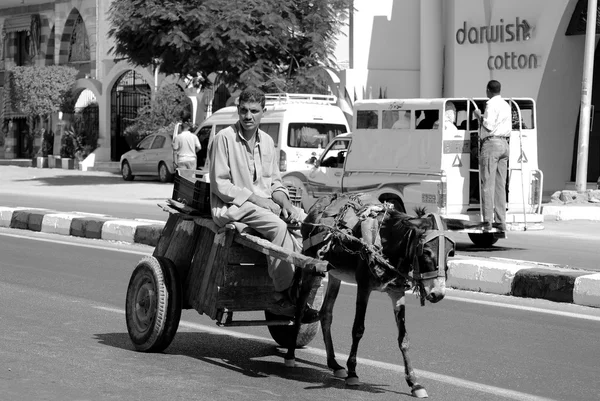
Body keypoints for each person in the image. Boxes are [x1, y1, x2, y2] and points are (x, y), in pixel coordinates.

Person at [207, 87, 319, 322]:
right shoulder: (223, 138)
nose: (248, 116)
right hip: (233, 207)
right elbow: (221, 185)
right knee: (278, 228)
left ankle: (302, 289)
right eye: (244, 111)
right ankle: (281, 296)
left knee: (304, 223)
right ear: (238, 110)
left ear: (263, 113)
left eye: (254, 111)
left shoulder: (268, 142)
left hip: (263, 206)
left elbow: (275, 184)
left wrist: (286, 204)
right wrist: (259, 200)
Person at [473, 80, 511, 232]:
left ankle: (487, 221)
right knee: (500, 185)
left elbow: (488, 125)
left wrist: (478, 116)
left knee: (487, 183)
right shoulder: (506, 105)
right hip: (505, 144)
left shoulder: (491, 104)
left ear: (488, 90)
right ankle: (501, 221)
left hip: (492, 144)